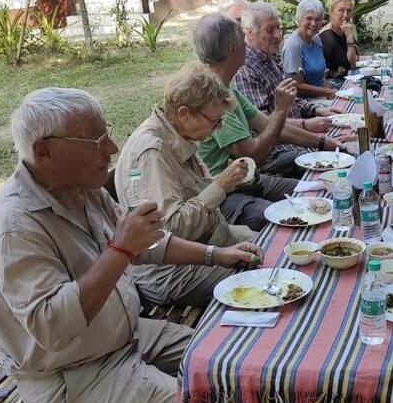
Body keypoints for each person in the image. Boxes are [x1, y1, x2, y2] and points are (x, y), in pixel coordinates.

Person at [0, 87, 262, 403]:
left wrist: (217, 256)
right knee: (205, 402)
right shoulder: (13, 225)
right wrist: (119, 249)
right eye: (96, 142)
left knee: (234, 358)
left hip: (128, 333)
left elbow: (144, 243)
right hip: (76, 374)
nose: (111, 147)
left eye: (106, 135)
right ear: (44, 151)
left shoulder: (81, 187)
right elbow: (52, 325)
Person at [115, 64, 295, 306]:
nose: (218, 128)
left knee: (281, 245)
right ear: (184, 113)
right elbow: (169, 230)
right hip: (172, 270)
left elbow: (193, 193)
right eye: (214, 120)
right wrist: (220, 186)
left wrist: (228, 182)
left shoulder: (177, 134)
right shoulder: (152, 153)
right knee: (271, 280)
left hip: (210, 241)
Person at [193, 13, 345, 179]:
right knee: (330, 177)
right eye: (242, 39)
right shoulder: (215, 96)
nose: (278, 35)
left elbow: (267, 124)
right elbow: (254, 157)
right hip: (239, 186)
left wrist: (322, 141)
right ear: (232, 49)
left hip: (254, 177)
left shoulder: (229, 86)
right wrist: (282, 111)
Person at [281, 0, 335, 98]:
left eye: (317, 19)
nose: (314, 23)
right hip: (305, 103)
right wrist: (327, 92)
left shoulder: (316, 39)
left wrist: (331, 89)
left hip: (322, 95)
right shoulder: (293, 45)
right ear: (299, 19)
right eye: (309, 18)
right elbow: (296, 85)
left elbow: (321, 76)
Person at [319, 0, 358, 82]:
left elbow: (353, 62)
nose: (345, 15)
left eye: (349, 11)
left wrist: (349, 36)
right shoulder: (326, 37)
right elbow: (351, 64)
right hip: (333, 85)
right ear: (331, 12)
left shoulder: (346, 29)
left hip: (348, 79)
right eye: (341, 10)